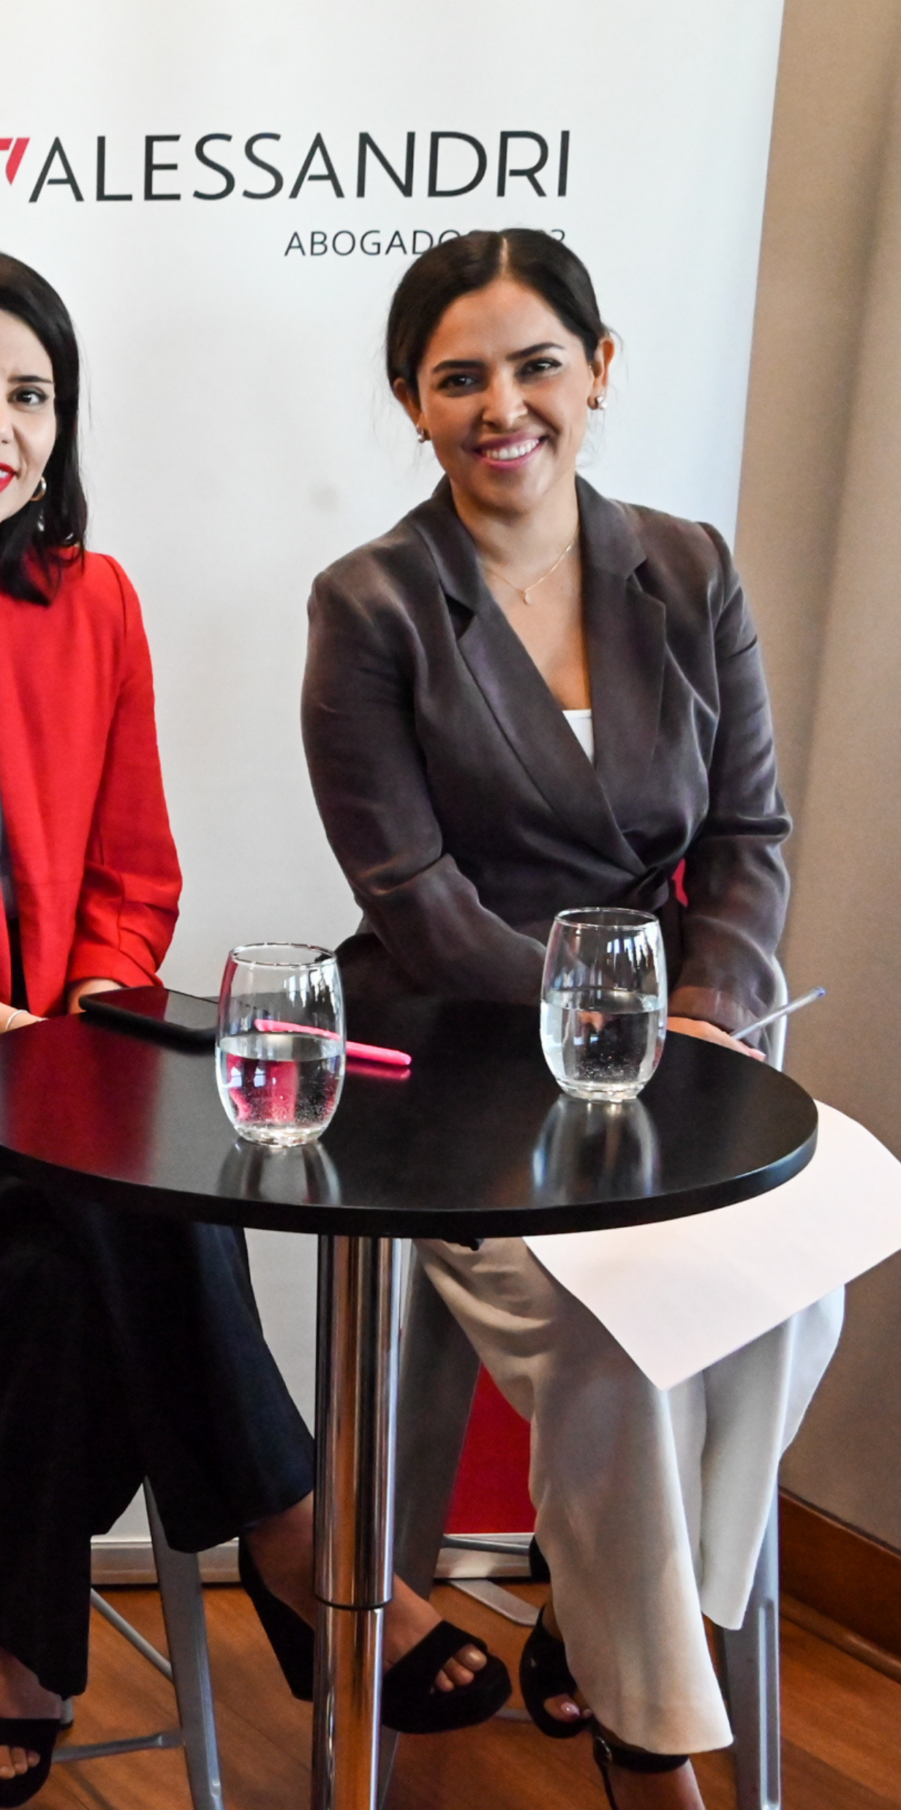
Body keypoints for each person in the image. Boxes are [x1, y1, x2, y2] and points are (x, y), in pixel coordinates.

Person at [0, 244, 511, 1805]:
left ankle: (27, 1636)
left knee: (80, 1228)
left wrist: (81, 1011)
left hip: (54, 1057)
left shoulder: (92, 603)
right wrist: (36, 1050)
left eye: (31, 394)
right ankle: (293, 1525)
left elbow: (136, 874)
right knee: (111, 1176)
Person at [301, 228, 842, 1808]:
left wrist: (710, 1010)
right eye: (459, 376)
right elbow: (415, 896)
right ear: (412, 399)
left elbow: (748, 836)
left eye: (538, 364)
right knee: (618, 1337)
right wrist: (615, 1021)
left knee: (794, 1292)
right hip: (458, 1061)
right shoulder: (371, 603)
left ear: (598, 369)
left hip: (678, 1052)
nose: (503, 406)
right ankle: (651, 1740)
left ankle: (616, 1629)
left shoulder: (690, 566)